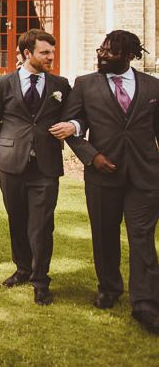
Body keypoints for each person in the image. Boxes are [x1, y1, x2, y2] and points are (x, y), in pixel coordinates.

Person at [62, 30, 159, 334]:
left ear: (131, 55)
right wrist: (92, 157)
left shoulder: (153, 86)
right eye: (102, 50)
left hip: (145, 176)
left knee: (142, 238)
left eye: (112, 52)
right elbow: (73, 127)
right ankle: (109, 288)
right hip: (103, 175)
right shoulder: (84, 84)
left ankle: (144, 303)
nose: (103, 55)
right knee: (104, 234)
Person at [0, 29, 75, 306]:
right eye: (44, 52)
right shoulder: (2, 84)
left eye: (52, 52)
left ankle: (40, 280)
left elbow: (72, 116)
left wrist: (71, 126)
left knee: (42, 225)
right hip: (11, 165)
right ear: (27, 54)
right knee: (17, 218)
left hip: (46, 166)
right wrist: (13, 144)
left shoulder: (60, 84)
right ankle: (22, 268)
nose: (51, 57)